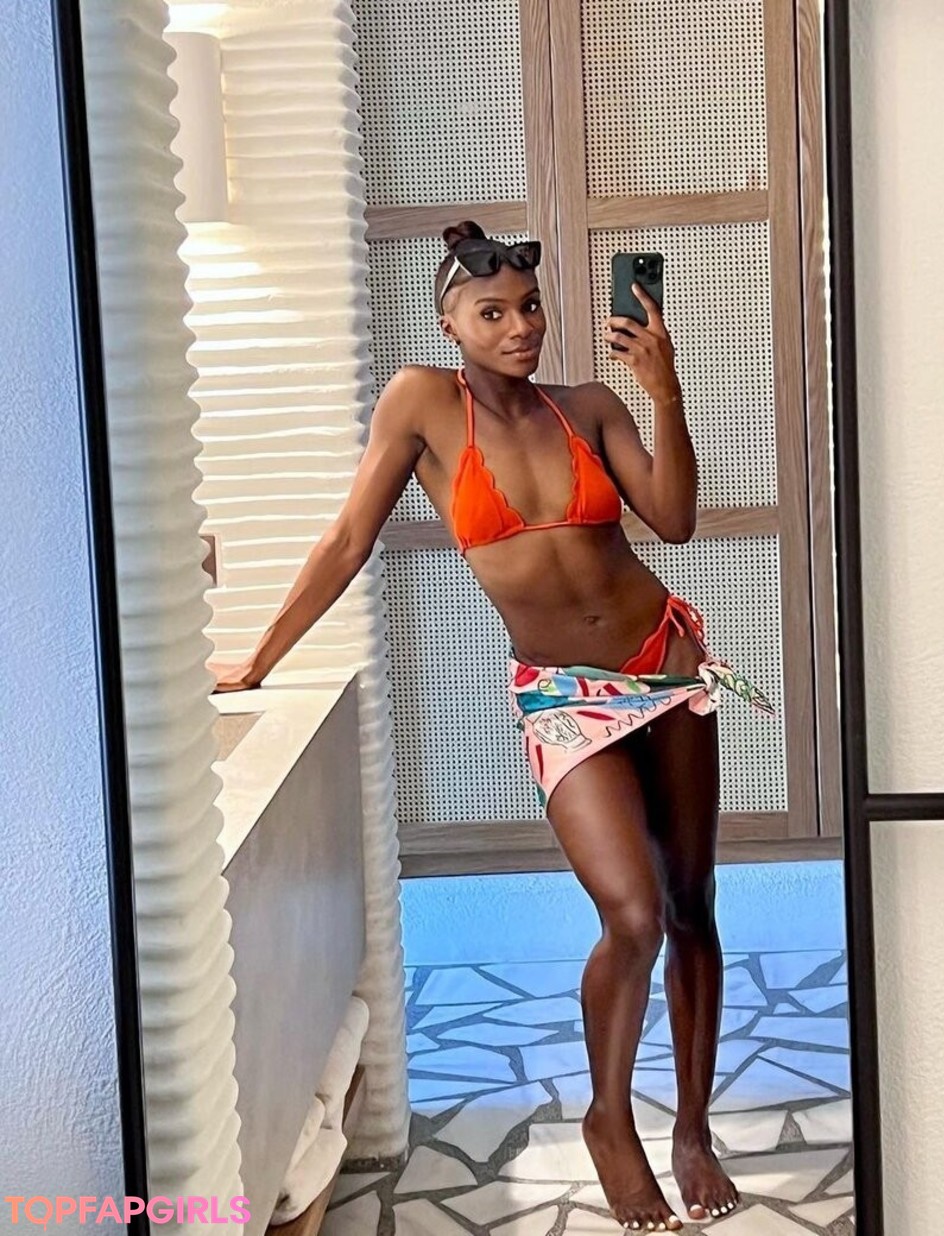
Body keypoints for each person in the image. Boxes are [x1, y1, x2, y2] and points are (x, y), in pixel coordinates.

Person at [211, 222, 772, 1230]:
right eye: (492, 312)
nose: (519, 327)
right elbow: (348, 539)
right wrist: (259, 659)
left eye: (529, 308)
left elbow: (675, 520)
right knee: (633, 914)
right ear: (450, 323)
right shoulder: (422, 402)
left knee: (691, 903)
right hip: (564, 696)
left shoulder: (590, 407)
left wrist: (666, 391)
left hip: (667, 667)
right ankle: (609, 1120)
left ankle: (691, 1130)